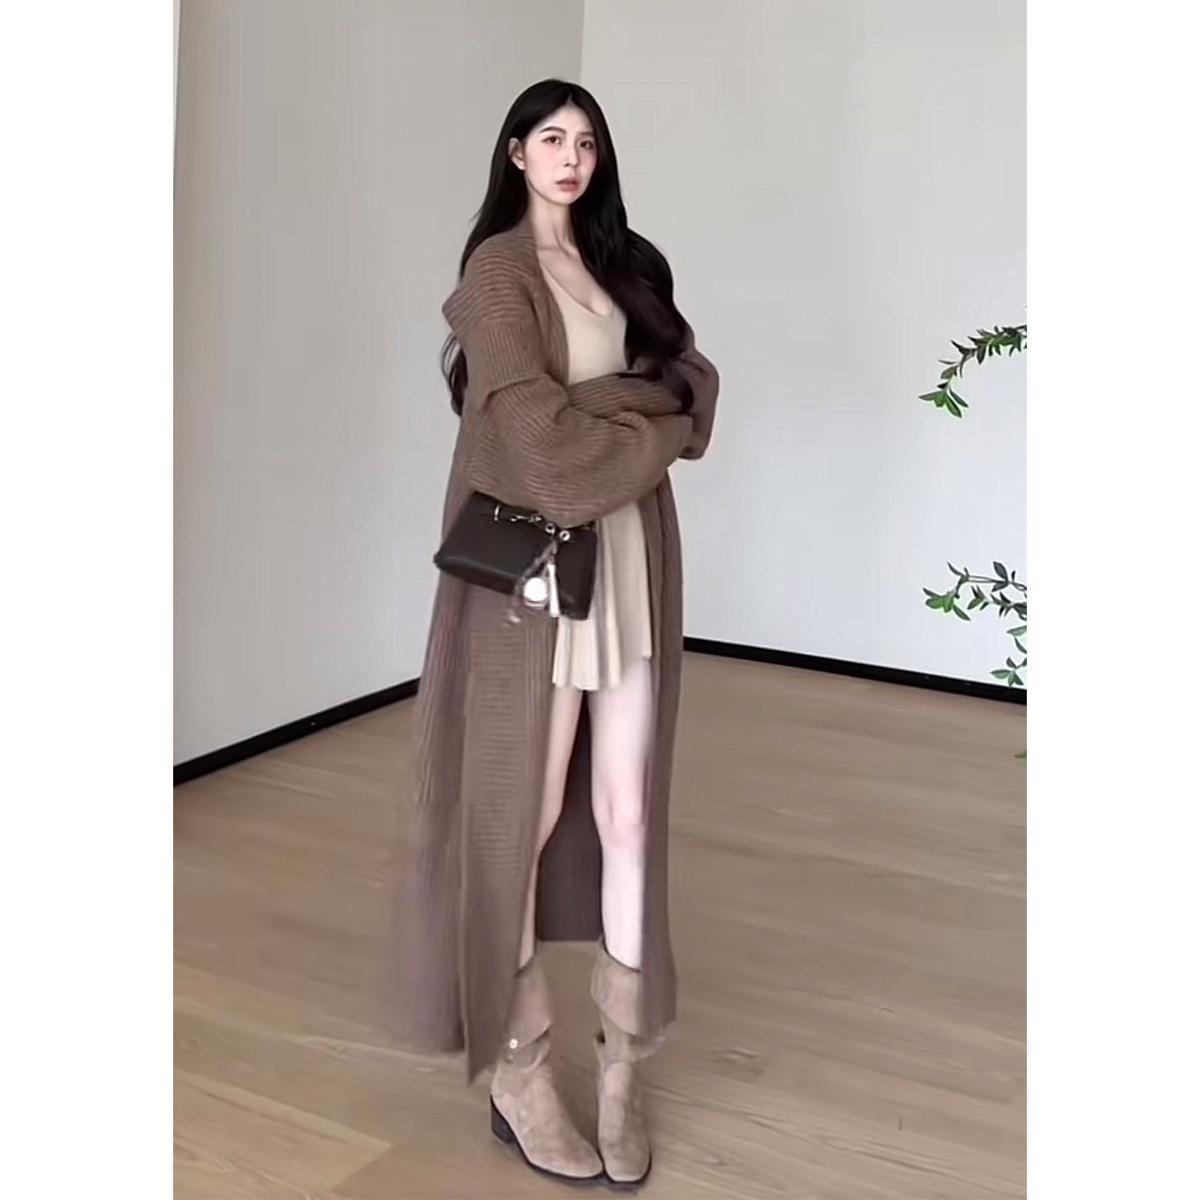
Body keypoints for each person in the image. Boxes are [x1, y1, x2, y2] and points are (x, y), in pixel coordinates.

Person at [386, 78, 720, 1188]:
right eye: (551, 139)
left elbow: (695, 387)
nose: (571, 157)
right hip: (534, 570)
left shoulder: (629, 263)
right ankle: (520, 1071)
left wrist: (624, 414)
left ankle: (622, 1072)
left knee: (629, 810)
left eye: (587, 141)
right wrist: (643, 422)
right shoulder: (497, 273)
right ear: (516, 152)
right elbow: (536, 443)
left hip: (625, 560)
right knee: (519, 817)